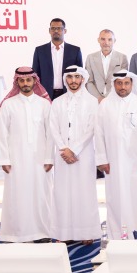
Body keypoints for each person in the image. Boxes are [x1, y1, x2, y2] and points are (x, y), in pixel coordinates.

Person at [95, 71, 137, 240]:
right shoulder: (105, 105)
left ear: (132, 84)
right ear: (114, 84)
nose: (123, 87)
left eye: (126, 83)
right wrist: (102, 159)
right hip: (113, 162)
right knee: (115, 199)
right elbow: (98, 133)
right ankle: (116, 236)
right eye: (119, 83)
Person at [0, 67, 54, 243]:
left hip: (40, 159)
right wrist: (4, 159)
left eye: (28, 80)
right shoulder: (8, 104)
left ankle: (42, 233)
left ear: (34, 81)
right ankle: (15, 233)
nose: (25, 84)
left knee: (41, 195)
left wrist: (49, 157)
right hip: (16, 159)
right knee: (17, 195)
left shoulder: (44, 104)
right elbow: (2, 133)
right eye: (21, 81)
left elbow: (50, 133)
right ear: (17, 82)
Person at [47, 66, 101, 244]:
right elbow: (53, 127)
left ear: (83, 79)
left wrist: (75, 149)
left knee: (84, 192)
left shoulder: (92, 102)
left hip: (83, 155)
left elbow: (91, 129)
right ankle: (63, 234)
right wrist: (64, 148)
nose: (73, 81)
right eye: (69, 77)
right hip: (63, 155)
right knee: (62, 193)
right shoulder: (58, 102)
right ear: (65, 80)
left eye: (77, 77)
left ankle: (86, 232)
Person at [32, 17, 83, 100]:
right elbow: (35, 75)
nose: (56, 31)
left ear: (65, 31)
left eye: (59, 28)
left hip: (69, 94)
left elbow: (80, 75)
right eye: (53, 28)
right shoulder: (40, 51)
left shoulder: (75, 51)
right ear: (49, 31)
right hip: (45, 95)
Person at [84, 29, 129, 101]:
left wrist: (108, 98)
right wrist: (99, 98)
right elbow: (89, 81)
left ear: (114, 41)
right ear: (98, 40)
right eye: (103, 39)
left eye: (110, 39)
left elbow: (122, 81)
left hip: (115, 98)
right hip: (95, 99)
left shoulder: (122, 57)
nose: (106, 42)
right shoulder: (90, 57)